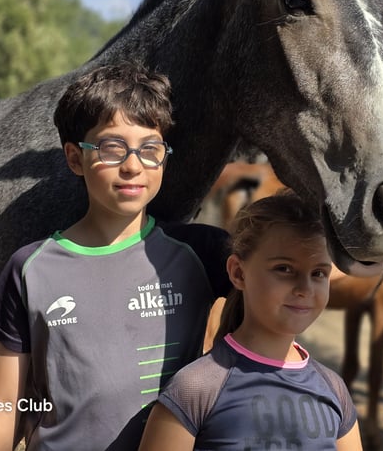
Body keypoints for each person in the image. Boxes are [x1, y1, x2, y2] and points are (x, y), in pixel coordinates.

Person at [0, 63, 231, 450]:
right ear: (75, 159)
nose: (132, 165)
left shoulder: (203, 253)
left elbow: (288, 279)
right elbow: (4, 403)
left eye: (150, 149)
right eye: (112, 148)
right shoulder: (30, 268)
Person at [138, 190, 363, 451]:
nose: (304, 288)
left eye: (318, 273)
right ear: (238, 273)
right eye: (284, 269)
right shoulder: (196, 389)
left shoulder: (333, 388)